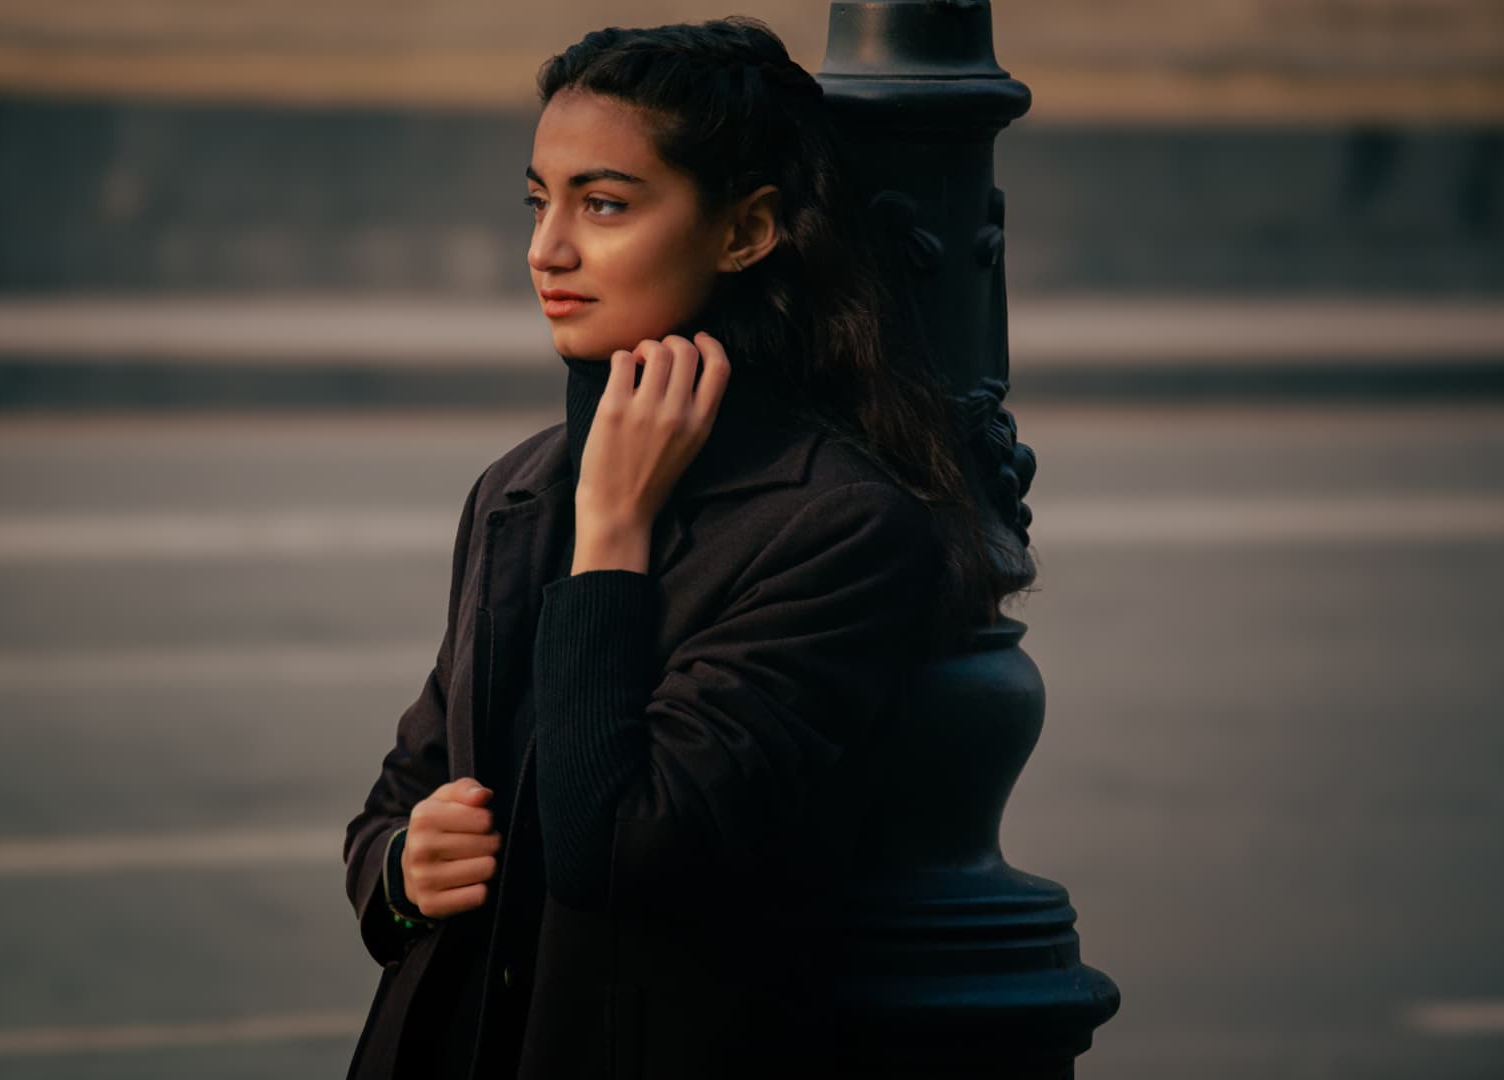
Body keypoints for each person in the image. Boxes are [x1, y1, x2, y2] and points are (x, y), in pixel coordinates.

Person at [341, 16, 1026, 1080]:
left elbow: (617, 850)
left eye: (603, 204)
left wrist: (612, 537)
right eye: (539, 200)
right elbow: (404, 792)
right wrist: (399, 866)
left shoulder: (838, 526)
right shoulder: (518, 487)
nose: (546, 249)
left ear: (746, 231)